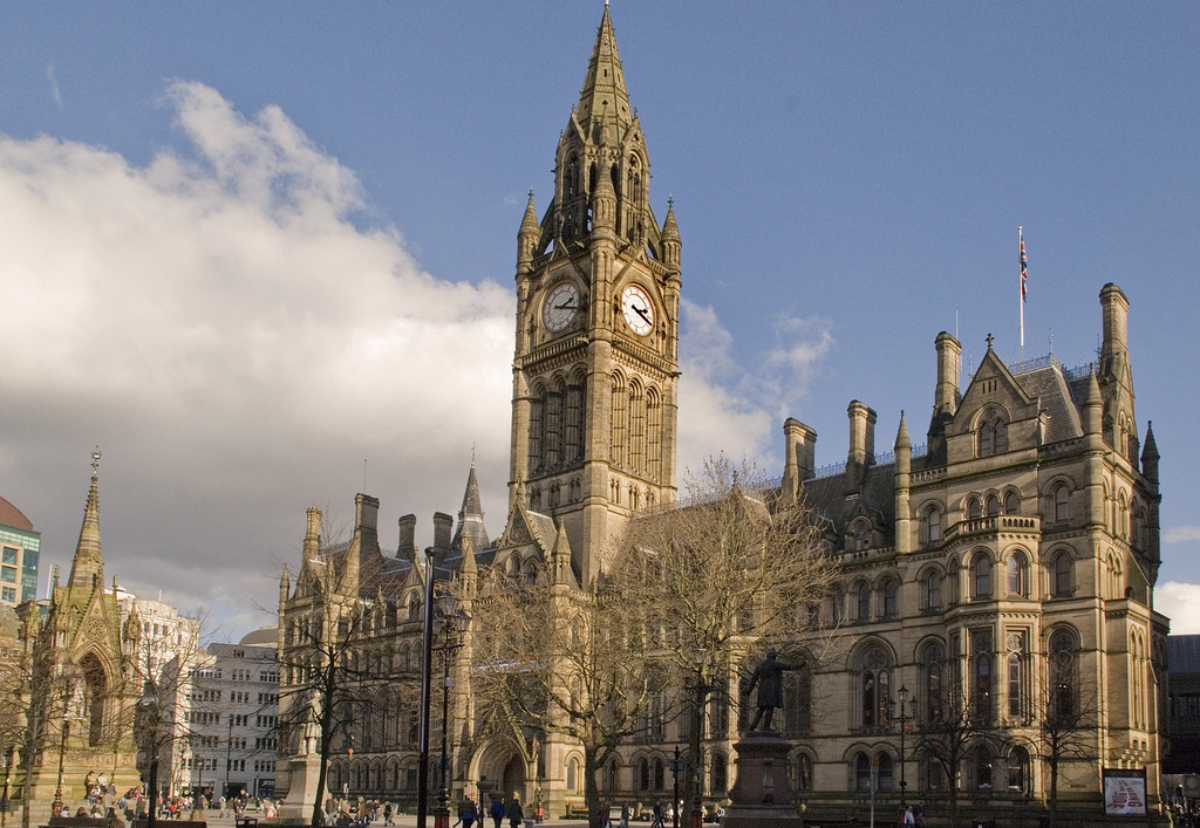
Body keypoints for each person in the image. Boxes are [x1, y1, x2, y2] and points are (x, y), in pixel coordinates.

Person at [744, 648, 804, 732]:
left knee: (761, 709)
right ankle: (766, 727)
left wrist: (748, 691)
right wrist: (801, 664)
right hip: (771, 688)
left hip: (762, 689)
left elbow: (753, 679)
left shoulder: (760, 666)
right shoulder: (775, 664)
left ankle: (753, 725)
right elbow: (789, 667)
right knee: (769, 708)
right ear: (774, 657)